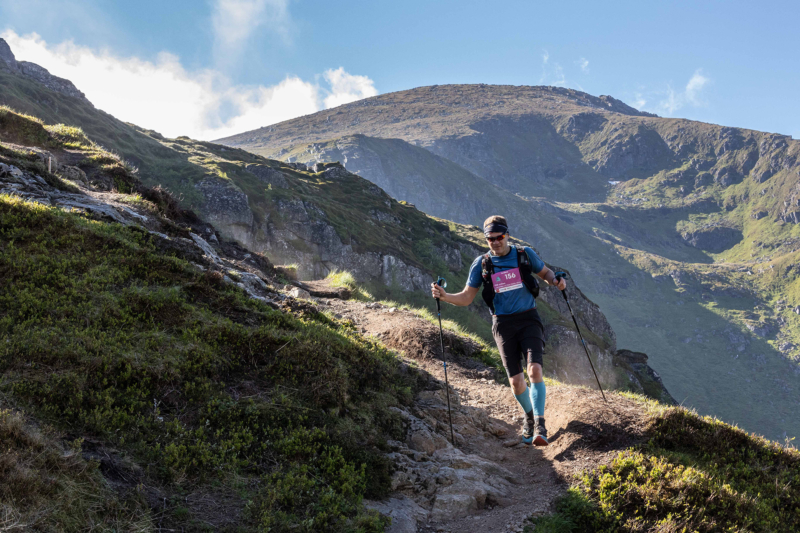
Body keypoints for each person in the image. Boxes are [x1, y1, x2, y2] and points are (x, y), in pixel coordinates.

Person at [430, 215, 566, 446]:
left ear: (507, 235)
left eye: (499, 237)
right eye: (490, 239)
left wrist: (556, 280)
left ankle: (541, 424)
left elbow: (545, 273)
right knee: (516, 382)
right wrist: (445, 296)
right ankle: (530, 416)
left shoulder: (524, 254)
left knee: (534, 370)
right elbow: (466, 297)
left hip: (528, 318)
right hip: (502, 325)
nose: (495, 242)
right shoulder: (482, 264)